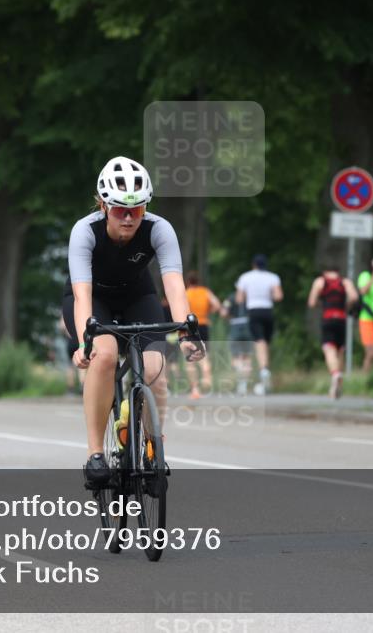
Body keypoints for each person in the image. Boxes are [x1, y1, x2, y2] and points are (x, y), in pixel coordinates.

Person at [64, 156, 203, 487]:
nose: (128, 218)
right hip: (93, 298)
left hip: (138, 296)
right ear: (102, 205)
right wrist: (85, 342)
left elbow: (173, 285)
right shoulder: (84, 232)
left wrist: (185, 331)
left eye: (137, 210)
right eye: (119, 210)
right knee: (106, 354)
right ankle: (95, 453)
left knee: (155, 369)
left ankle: (153, 450)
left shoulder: (160, 229)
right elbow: (81, 296)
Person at [307, 266, 359, 399]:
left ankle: (335, 374)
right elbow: (354, 297)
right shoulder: (345, 282)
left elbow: (311, 302)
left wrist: (323, 304)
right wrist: (345, 305)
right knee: (340, 350)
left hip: (327, 318)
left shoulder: (320, 282)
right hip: (341, 319)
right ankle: (338, 386)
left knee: (329, 349)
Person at [235, 254, 282, 395]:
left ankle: (264, 370)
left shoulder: (245, 277)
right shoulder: (273, 277)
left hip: (254, 311)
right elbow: (278, 296)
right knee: (266, 342)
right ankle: (265, 370)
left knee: (259, 341)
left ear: (253, 264)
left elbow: (239, 298)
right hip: (268, 311)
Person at [184, 271, 222, 399]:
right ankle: (207, 378)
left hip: (190, 326)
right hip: (204, 324)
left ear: (188, 282)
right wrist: (208, 312)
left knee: (190, 359)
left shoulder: (186, 293)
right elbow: (217, 304)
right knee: (204, 354)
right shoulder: (205, 291)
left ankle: (195, 389)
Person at [220, 292, 253, 395]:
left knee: (236, 357)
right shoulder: (250, 297)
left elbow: (223, 313)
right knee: (247, 357)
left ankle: (240, 382)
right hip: (248, 326)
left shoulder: (230, 298)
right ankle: (244, 384)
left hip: (235, 327)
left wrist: (229, 318)